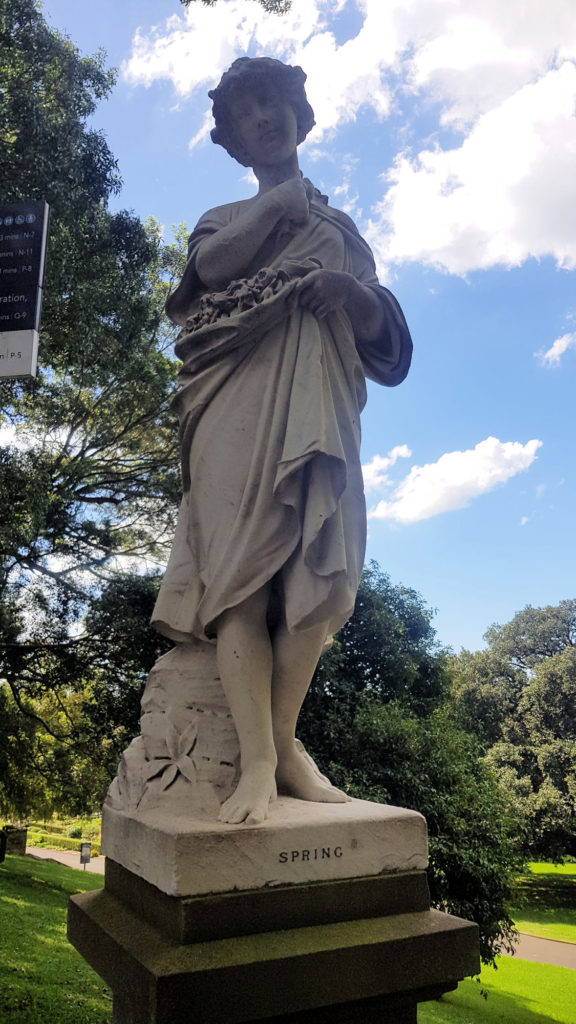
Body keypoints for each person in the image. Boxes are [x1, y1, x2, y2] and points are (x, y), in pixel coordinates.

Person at [152, 57, 412, 826]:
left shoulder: (342, 232)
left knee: (323, 588)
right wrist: (284, 204)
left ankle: (284, 741)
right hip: (233, 397)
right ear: (234, 138)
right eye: (248, 112)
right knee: (240, 582)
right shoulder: (224, 218)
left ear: (301, 114)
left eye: (276, 103)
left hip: (319, 400)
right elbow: (208, 271)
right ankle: (259, 764)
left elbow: (387, 344)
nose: (265, 117)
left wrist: (352, 295)